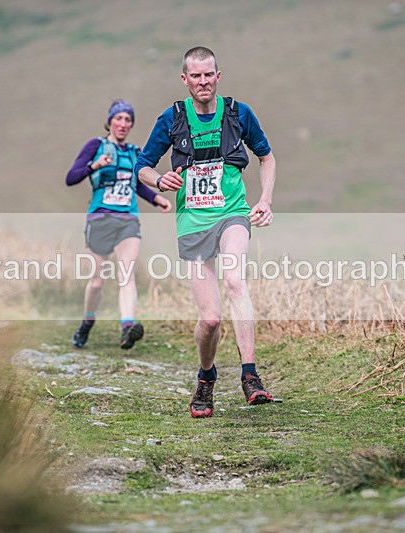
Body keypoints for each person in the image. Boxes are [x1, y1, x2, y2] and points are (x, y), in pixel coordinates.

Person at [135, 46, 277, 417]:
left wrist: (265, 199)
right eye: (195, 76)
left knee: (235, 281)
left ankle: (250, 375)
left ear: (218, 76)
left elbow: (267, 157)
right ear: (185, 79)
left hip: (232, 213)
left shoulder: (238, 113)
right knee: (211, 318)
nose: (203, 81)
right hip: (192, 222)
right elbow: (143, 166)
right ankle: (206, 376)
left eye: (208, 74)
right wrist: (158, 179)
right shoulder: (172, 119)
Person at [66, 100, 172, 350]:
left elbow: (137, 185)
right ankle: (87, 323)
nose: (123, 124)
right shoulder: (96, 146)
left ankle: (127, 328)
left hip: (127, 221)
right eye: (119, 118)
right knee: (96, 282)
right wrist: (95, 165)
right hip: (100, 218)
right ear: (110, 121)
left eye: (128, 120)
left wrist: (157, 198)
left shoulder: (134, 152)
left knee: (127, 275)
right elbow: (71, 177)